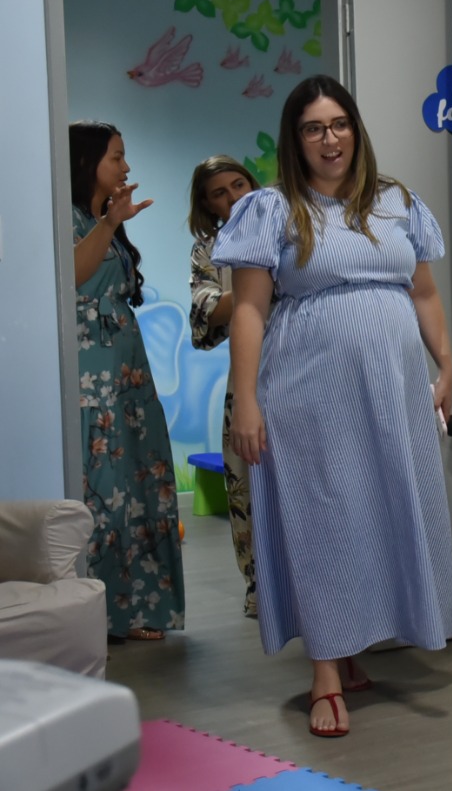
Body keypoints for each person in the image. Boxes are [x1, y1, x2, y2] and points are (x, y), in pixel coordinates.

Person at [212, 75, 452, 738]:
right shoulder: (271, 209)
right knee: (323, 518)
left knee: (374, 512)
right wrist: (247, 401)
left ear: (356, 129)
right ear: (297, 139)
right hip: (309, 390)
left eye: (339, 123)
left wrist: (447, 360)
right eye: (314, 127)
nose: (330, 138)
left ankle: (350, 647)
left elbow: (424, 293)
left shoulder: (395, 202)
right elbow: (250, 310)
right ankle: (323, 671)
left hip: (392, 392)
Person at [69, 120, 185, 642]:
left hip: (127, 374)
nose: (126, 166)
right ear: (86, 163)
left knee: (138, 487)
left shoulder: (100, 221)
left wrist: (112, 223)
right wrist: (110, 224)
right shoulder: (68, 219)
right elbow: (70, 278)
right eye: (117, 156)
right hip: (92, 378)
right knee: (104, 490)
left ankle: (136, 607)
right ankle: (98, 615)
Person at [187, 155, 261, 618]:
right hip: (246, 380)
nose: (234, 196)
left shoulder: (290, 230)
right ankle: (261, 587)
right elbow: (204, 311)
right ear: (208, 204)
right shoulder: (209, 249)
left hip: (303, 374)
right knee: (245, 484)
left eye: (239, 184)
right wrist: (258, 285)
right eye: (220, 192)